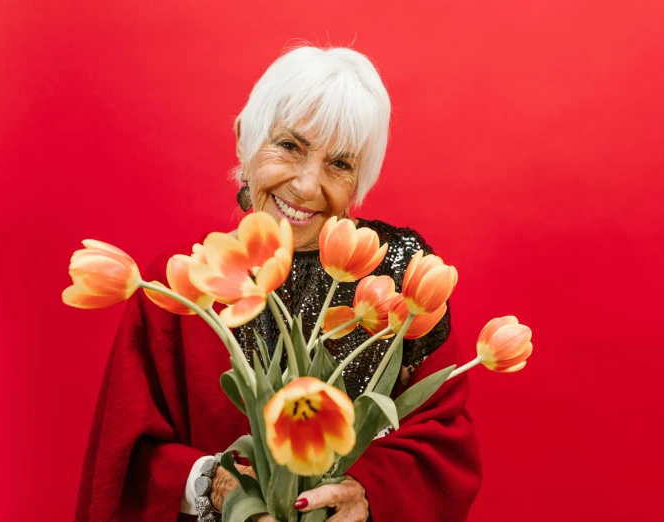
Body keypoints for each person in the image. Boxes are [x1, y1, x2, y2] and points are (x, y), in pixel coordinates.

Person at [75, 46, 482, 522]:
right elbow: (125, 455)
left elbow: (445, 444)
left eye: (340, 164)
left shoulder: (398, 273)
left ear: (358, 184)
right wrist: (221, 486)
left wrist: (364, 491)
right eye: (289, 146)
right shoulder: (183, 280)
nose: (308, 186)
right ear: (244, 142)